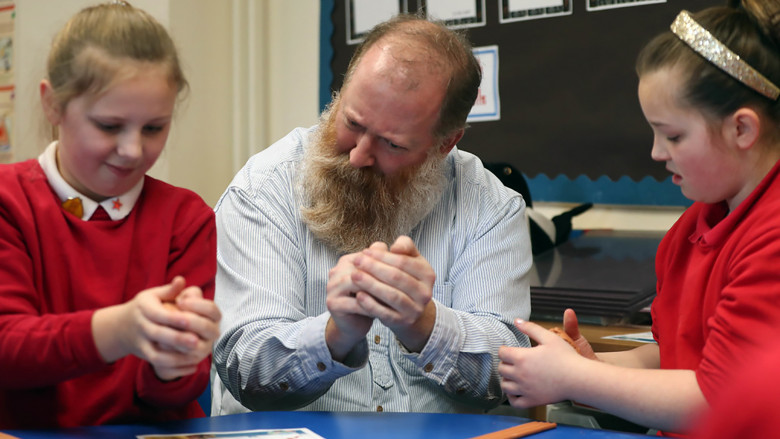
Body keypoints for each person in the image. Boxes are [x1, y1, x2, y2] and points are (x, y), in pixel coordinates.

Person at [211, 14, 532, 415]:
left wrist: (426, 326)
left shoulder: (491, 207)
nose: (359, 155)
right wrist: (334, 336)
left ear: (446, 143)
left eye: (392, 144)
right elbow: (244, 369)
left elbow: (510, 372)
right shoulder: (264, 189)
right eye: (352, 122)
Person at [497, 0, 780, 436]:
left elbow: (716, 400)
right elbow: (675, 356)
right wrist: (589, 366)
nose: (656, 153)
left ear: (741, 129)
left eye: (673, 135)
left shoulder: (772, 238)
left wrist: (576, 378)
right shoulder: (687, 234)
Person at [0, 2, 221, 429]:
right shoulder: (10, 201)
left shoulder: (186, 218)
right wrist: (120, 329)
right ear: (53, 105)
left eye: (154, 128)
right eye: (108, 126)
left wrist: (176, 358)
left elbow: (177, 391)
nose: (133, 150)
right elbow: (8, 349)